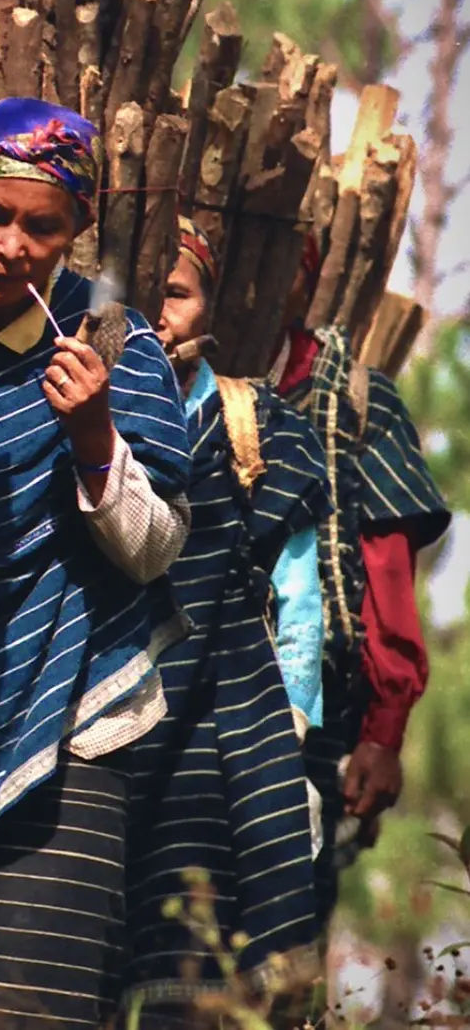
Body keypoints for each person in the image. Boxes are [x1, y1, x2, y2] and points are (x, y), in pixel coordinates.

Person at [0, 98, 194, 1030]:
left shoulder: (112, 347)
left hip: (66, 737)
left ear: (76, 232)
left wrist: (94, 437)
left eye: (41, 227)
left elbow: (153, 551)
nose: (11, 246)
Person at [120, 219, 329, 1025]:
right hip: (110, 719)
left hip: (225, 724)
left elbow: (298, 592)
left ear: (207, 305)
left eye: (175, 293)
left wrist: (295, 722)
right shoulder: (77, 414)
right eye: (143, 296)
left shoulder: (256, 425)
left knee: (200, 938)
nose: (157, 314)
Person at [267, 236, 448, 927]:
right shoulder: (168, 368)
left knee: (286, 915)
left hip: (320, 707)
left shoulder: (352, 398)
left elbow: (387, 574)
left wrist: (384, 729)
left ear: (305, 281)